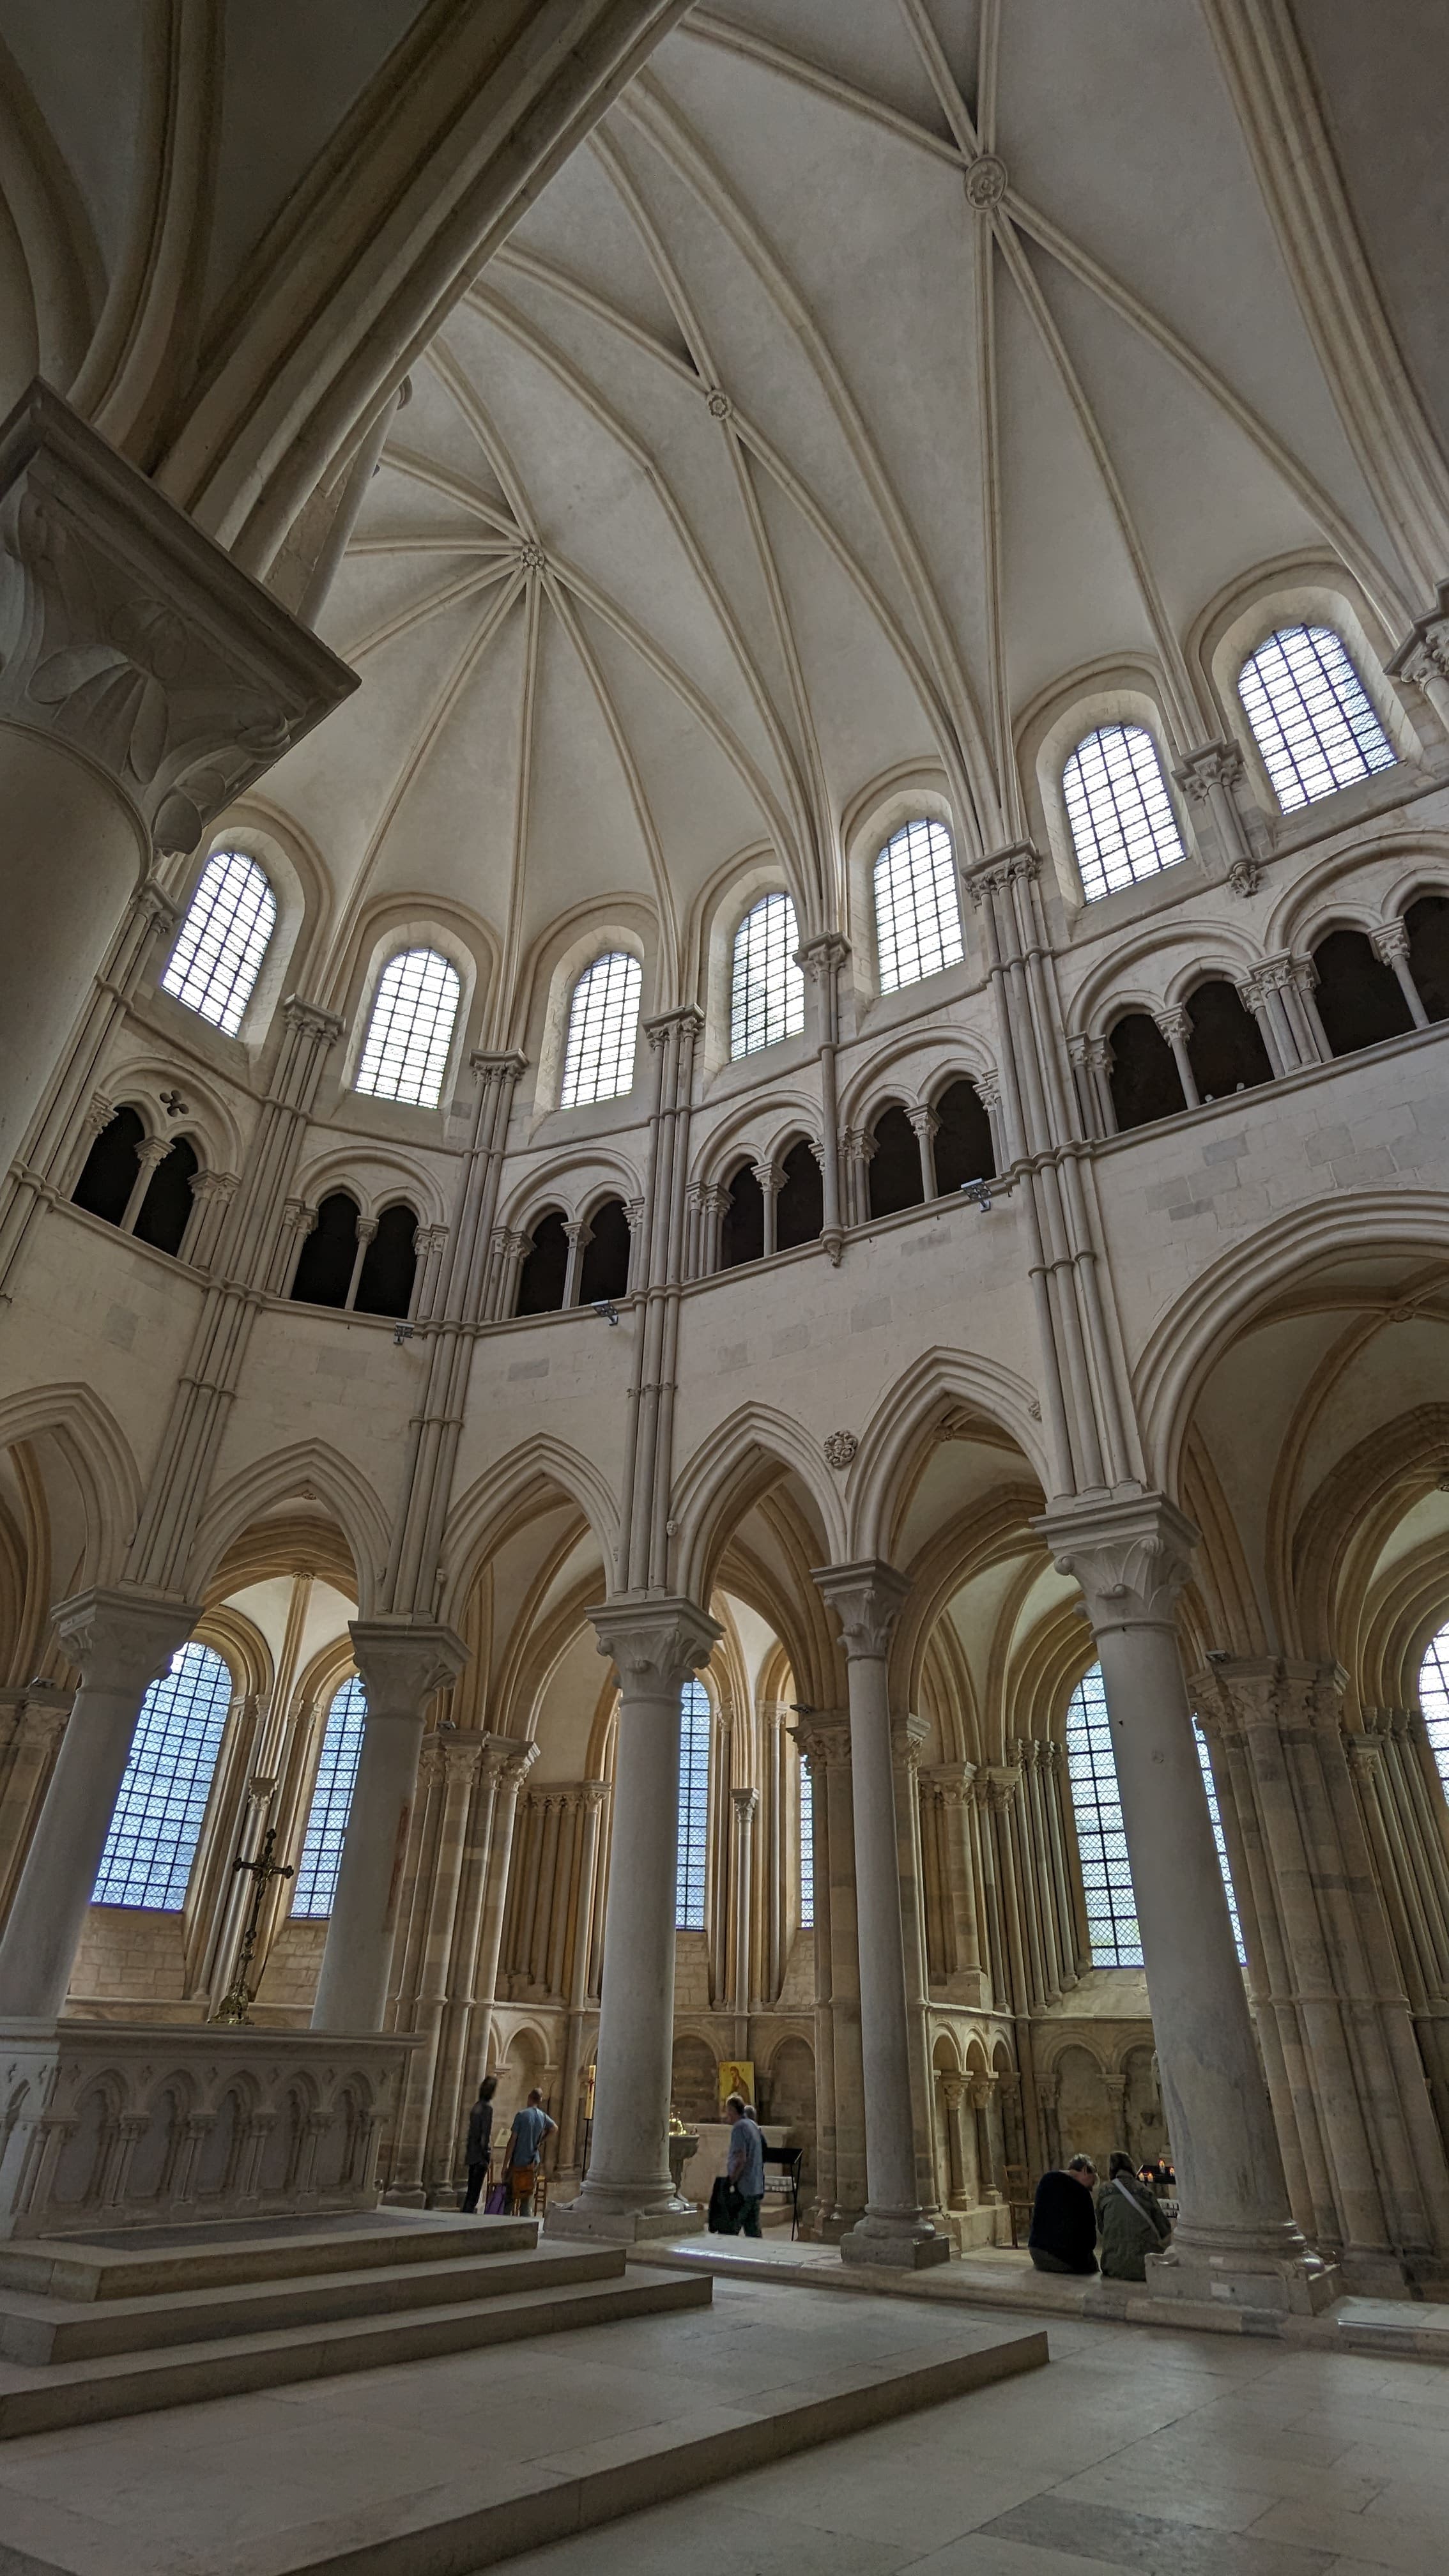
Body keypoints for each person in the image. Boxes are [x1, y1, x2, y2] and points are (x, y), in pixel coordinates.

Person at [1097, 2150, 1172, 2281]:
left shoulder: (1104, 2192)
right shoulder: (1144, 2191)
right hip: (1145, 2267)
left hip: (1112, 2266)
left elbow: (1101, 2227)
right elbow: (1164, 2229)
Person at [1027, 2152, 1099, 2274]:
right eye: (1091, 2184)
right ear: (1085, 2170)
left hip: (1037, 2252)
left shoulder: (1046, 2179)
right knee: (1092, 2264)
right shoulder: (1082, 2193)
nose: (1090, 2189)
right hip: (1062, 2258)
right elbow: (1090, 2239)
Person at [505, 2087, 556, 2214]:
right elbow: (554, 2128)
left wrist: (506, 2163)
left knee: (510, 2196)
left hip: (519, 2160)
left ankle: (504, 2223)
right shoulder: (543, 2116)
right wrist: (541, 2141)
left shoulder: (522, 2115)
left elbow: (513, 2140)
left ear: (529, 2098)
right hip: (533, 2161)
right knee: (527, 2198)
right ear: (539, 2101)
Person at [725, 2090, 765, 2239]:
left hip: (744, 2187)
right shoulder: (752, 2125)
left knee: (730, 2228)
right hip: (755, 2186)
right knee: (753, 2231)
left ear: (732, 2110)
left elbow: (741, 2158)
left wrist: (731, 2180)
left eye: (727, 2111)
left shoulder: (739, 2127)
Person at [461, 2074, 498, 2213]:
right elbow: (485, 2133)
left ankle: (465, 2213)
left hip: (472, 2153)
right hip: (479, 2155)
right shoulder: (487, 2108)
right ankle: (467, 2219)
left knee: (471, 2189)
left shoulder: (476, 2106)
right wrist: (486, 2154)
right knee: (475, 2192)